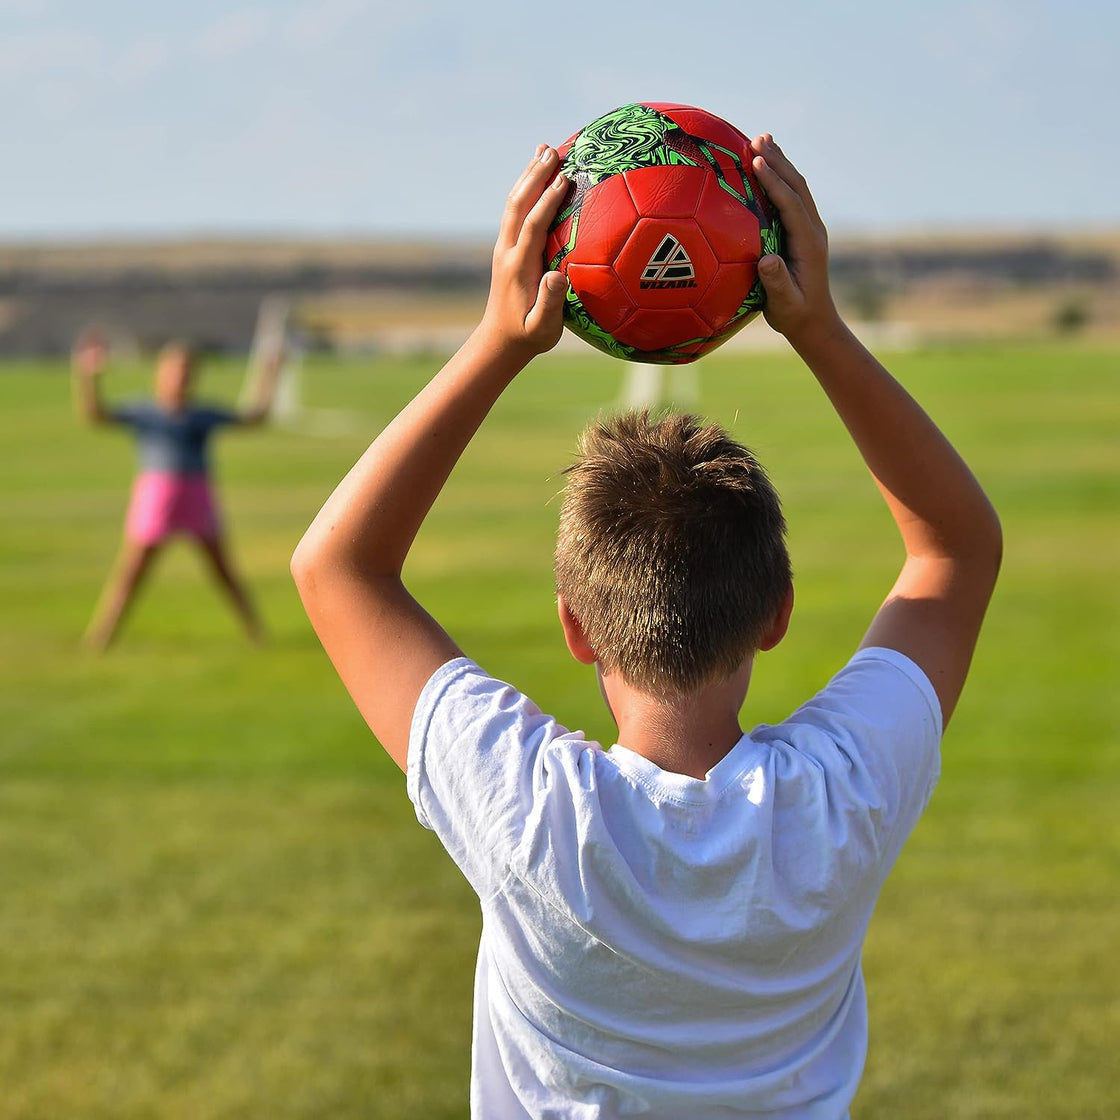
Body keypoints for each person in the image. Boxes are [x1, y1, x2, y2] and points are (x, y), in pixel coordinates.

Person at [291, 137, 1001, 1118]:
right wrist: (818, 328)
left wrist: (499, 338)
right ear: (776, 615)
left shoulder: (531, 812)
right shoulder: (838, 797)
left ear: (576, 629)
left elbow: (336, 566)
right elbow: (955, 549)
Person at [73, 335, 280, 650]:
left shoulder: (202, 414)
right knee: (133, 571)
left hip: (196, 494)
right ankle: (102, 636)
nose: (181, 377)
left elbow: (254, 418)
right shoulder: (145, 412)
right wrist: (88, 377)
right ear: (160, 373)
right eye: (175, 370)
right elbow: (97, 416)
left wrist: (269, 375)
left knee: (223, 570)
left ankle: (256, 632)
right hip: (156, 497)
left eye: (187, 371)